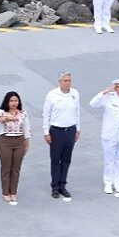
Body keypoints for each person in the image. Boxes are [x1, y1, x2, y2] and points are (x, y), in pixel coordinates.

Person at [89, 78, 119, 197]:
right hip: (110, 134)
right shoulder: (108, 98)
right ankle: (108, 182)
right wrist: (104, 92)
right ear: (115, 88)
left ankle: (117, 182)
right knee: (109, 160)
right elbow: (92, 104)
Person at [41, 72, 80, 201]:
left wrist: (77, 129)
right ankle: (55, 187)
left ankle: (63, 185)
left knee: (66, 160)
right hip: (57, 131)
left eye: (69, 80)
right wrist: (46, 132)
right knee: (55, 160)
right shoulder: (52, 95)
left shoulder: (75, 93)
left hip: (70, 130)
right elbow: (46, 114)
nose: (67, 83)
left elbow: (77, 112)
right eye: (65, 80)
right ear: (60, 82)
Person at [0, 91, 30, 205]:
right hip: (5, 142)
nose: (13, 103)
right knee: (6, 167)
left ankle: (13, 191)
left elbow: (26, 128)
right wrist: (5, 118)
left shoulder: (23, 113)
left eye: (15, 101)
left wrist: (27, 142)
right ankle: (5, 192)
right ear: (7, 102)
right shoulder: (2, 112)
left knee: (16, 168)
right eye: (11, 101)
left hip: (19, 142)